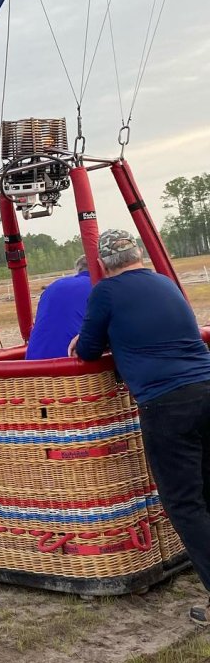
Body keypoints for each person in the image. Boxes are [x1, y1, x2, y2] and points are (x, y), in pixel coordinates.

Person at [68, 229, 210, 626]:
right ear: (137, 253)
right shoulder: (164, 283)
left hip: (167, 403)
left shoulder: (107, 293)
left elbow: (90, 349)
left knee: (185, 503)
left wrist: (81, 341)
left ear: (103, 264)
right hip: (206, 385)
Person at [25, 254, 91, 360]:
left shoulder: (53, 286)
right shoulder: (99, 287)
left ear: (78, 270)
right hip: (71, 363)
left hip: (32, 363)